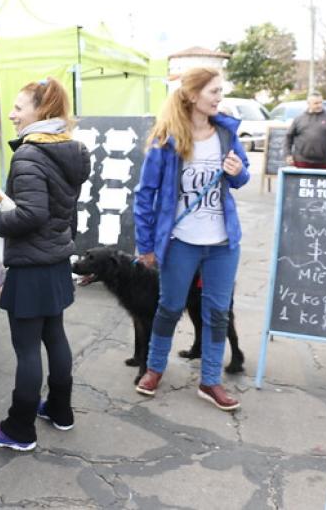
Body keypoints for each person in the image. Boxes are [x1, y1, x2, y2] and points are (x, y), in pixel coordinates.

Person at [0, 78, 90, 451]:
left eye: (18, 107)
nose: (11, 114)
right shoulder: (68, 150)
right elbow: (55, 210)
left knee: (28, 349)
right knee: (54, 336)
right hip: (56, 259)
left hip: (31, 264)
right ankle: (60, 410)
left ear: (40, 112)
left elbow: (31, 214)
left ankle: (19, 428)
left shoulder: (29, 153)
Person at [133, 67, 249, 412]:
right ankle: (154, 368)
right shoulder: (166, 140)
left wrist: (238, 172)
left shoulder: (226, 134)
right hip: (181, 241)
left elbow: (243, 177)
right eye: (213, 91)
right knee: (169, 307)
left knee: (217, 313)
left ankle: (210, 380)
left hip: (223, 243)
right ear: (193, 95)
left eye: (220, 91)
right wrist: (146, 245)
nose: (219, 98)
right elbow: (145, 195)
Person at [284, 92, 326, 169]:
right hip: (301, 163)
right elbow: (288, 137)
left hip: (324, 163)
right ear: (308, 104)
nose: (319, 105)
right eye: (316, 103)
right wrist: (287, 154)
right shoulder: (299, 119)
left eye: (321, 102)